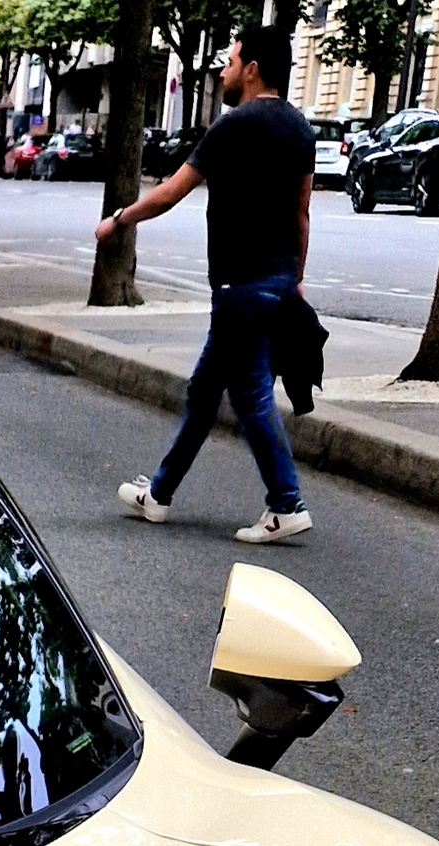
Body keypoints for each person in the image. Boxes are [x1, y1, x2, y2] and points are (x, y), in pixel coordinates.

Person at [99, 22, 316, 545]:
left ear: (253, 68)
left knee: (251, 397)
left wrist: (120, 219)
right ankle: (160, 493)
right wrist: (297, 278)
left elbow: (172, 192)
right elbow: (302, 212)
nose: (224, 68)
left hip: (239, 287)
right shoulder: (302, 130)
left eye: (232, 59)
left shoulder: (233, 126)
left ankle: (286, 503)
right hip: (275, 282)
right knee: (204, 390)